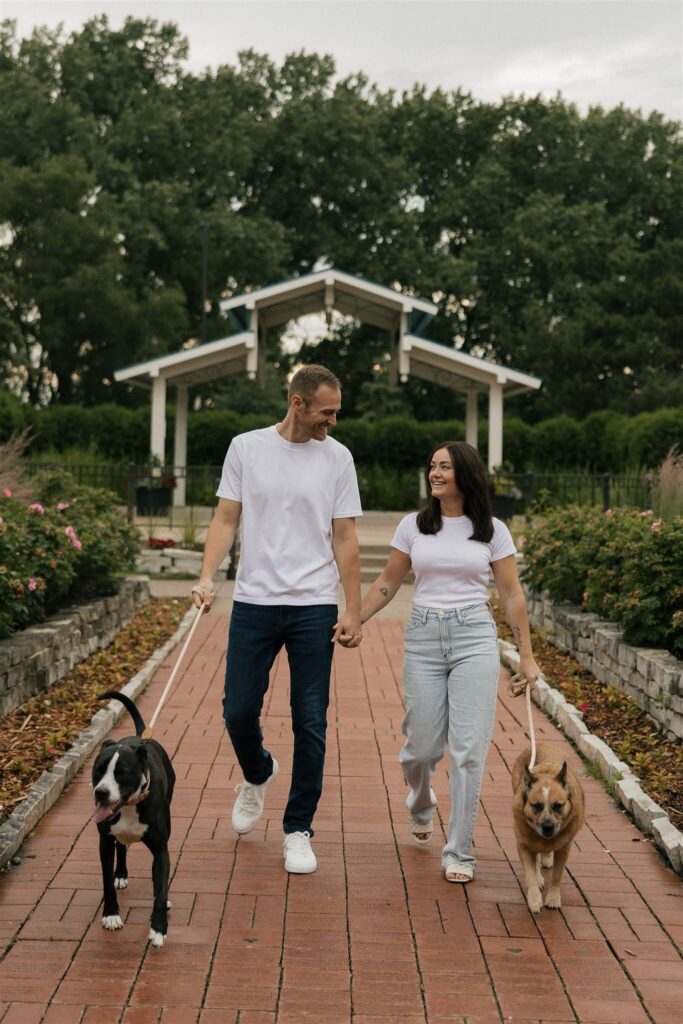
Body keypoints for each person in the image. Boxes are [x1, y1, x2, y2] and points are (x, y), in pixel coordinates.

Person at [192, 365, 362, 874]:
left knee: (310, 720)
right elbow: (226, 518)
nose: (332, 421)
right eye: (326, 412)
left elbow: (346, 537)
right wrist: (205, 577)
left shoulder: (338, 458)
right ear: (297, 403)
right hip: (254, 601)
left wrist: (353, 609)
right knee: (237, 711)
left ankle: (298, 829)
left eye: (336, 412)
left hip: (313, 604)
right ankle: (258, 771)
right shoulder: (246, 448)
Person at [354, 440, 540, 883]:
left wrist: (526, 656)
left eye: (444, 467)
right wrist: (353, 619)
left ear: (465, 474)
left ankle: (460, 851)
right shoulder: (414, 526)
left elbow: (512, 594)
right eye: (432, 466)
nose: (435, 473)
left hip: (475, 636)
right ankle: (420, 801)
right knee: (421, 747)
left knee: (468, 751)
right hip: (423, 636)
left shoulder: (492, 530)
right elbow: (387, 582)